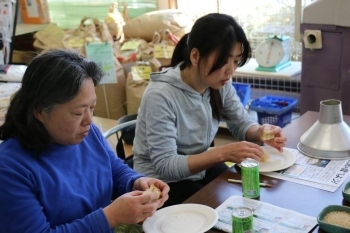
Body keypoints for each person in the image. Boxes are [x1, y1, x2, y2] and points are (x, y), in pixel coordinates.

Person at [0, 50, 169, 232]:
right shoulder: (10, 168)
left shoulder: (89, 134)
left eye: (92, 107)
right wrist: (110, 216)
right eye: (78, 113)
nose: (89, 120)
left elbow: (114, 171)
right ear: (40, 111)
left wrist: (136, 182)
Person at [132, 13, 287, 207]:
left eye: (236, 61)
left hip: (198, 170)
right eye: (224, 61)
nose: (231, 70)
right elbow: (166, 166)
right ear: (195, 56)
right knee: (224, 210)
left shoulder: (219, 84)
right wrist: (223, 153)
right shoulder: (161, 95)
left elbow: (240, 123)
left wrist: (261, 132)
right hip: (161, 185)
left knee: (250, 192)